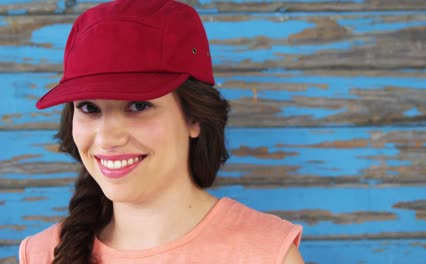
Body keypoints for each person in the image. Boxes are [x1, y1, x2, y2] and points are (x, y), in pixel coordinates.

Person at [19, 0, 304, 263]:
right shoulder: (40, 254)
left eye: (139, 106)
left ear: (195, 118)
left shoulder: (266, 254)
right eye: (89, 108)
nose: (107, 138)